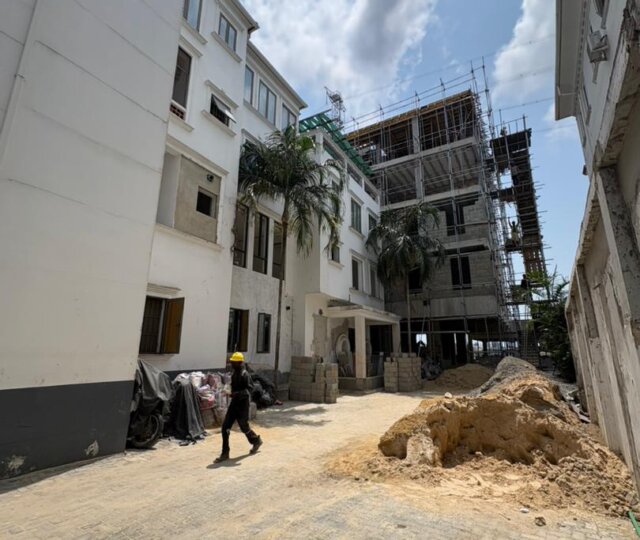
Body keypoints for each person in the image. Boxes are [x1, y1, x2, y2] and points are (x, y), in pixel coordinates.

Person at [214, 352, 262, 463]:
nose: (231, 364)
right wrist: (228, 391)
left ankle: (256, 441)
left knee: (244, 427)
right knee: (225, 427)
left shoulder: (245, 375)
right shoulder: (234, 373)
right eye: (232, 362)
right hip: (234, 404)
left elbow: (249, 390)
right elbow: (234, 388)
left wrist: (236, 394)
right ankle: (225, 453)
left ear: (239, 363)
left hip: (243, 405)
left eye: (234, 362)